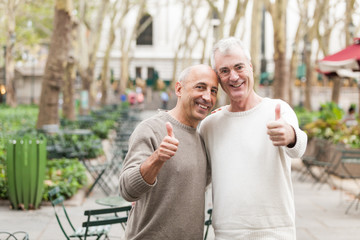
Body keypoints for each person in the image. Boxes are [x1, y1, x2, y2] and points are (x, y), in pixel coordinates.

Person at [199, 37, 308, 239]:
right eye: (224, 71)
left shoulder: (278, 109)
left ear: (250, 67)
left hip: (275, 231)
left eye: (239, 67)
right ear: (218, 77)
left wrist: (291, 135)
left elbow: (298, 149)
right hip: (227, 232)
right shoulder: (209, 125)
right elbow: (198, 178)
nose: (233, 76)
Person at [119, 64, 218, 240]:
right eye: (200, 87)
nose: (207, 97)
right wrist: (157, 158)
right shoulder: (150, 129)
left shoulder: (203, 138)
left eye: (213, 91)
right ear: (179, 89)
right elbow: (128, 191)